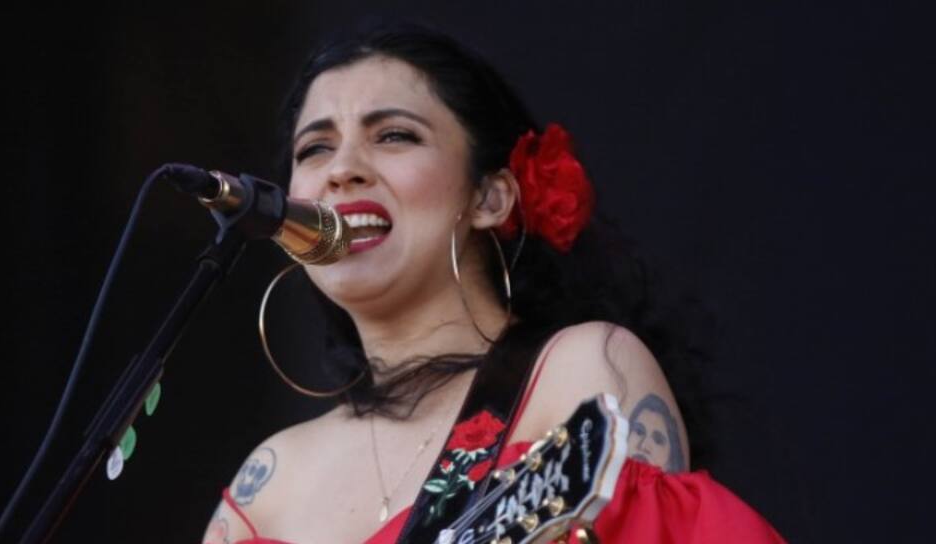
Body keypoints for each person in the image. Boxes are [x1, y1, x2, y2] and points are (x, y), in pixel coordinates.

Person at [202, 22, 785, 544]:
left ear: (490, 197)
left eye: (395, 135)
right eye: (314, 148)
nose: (342, 168)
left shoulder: (578, 373)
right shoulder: (268, 485)